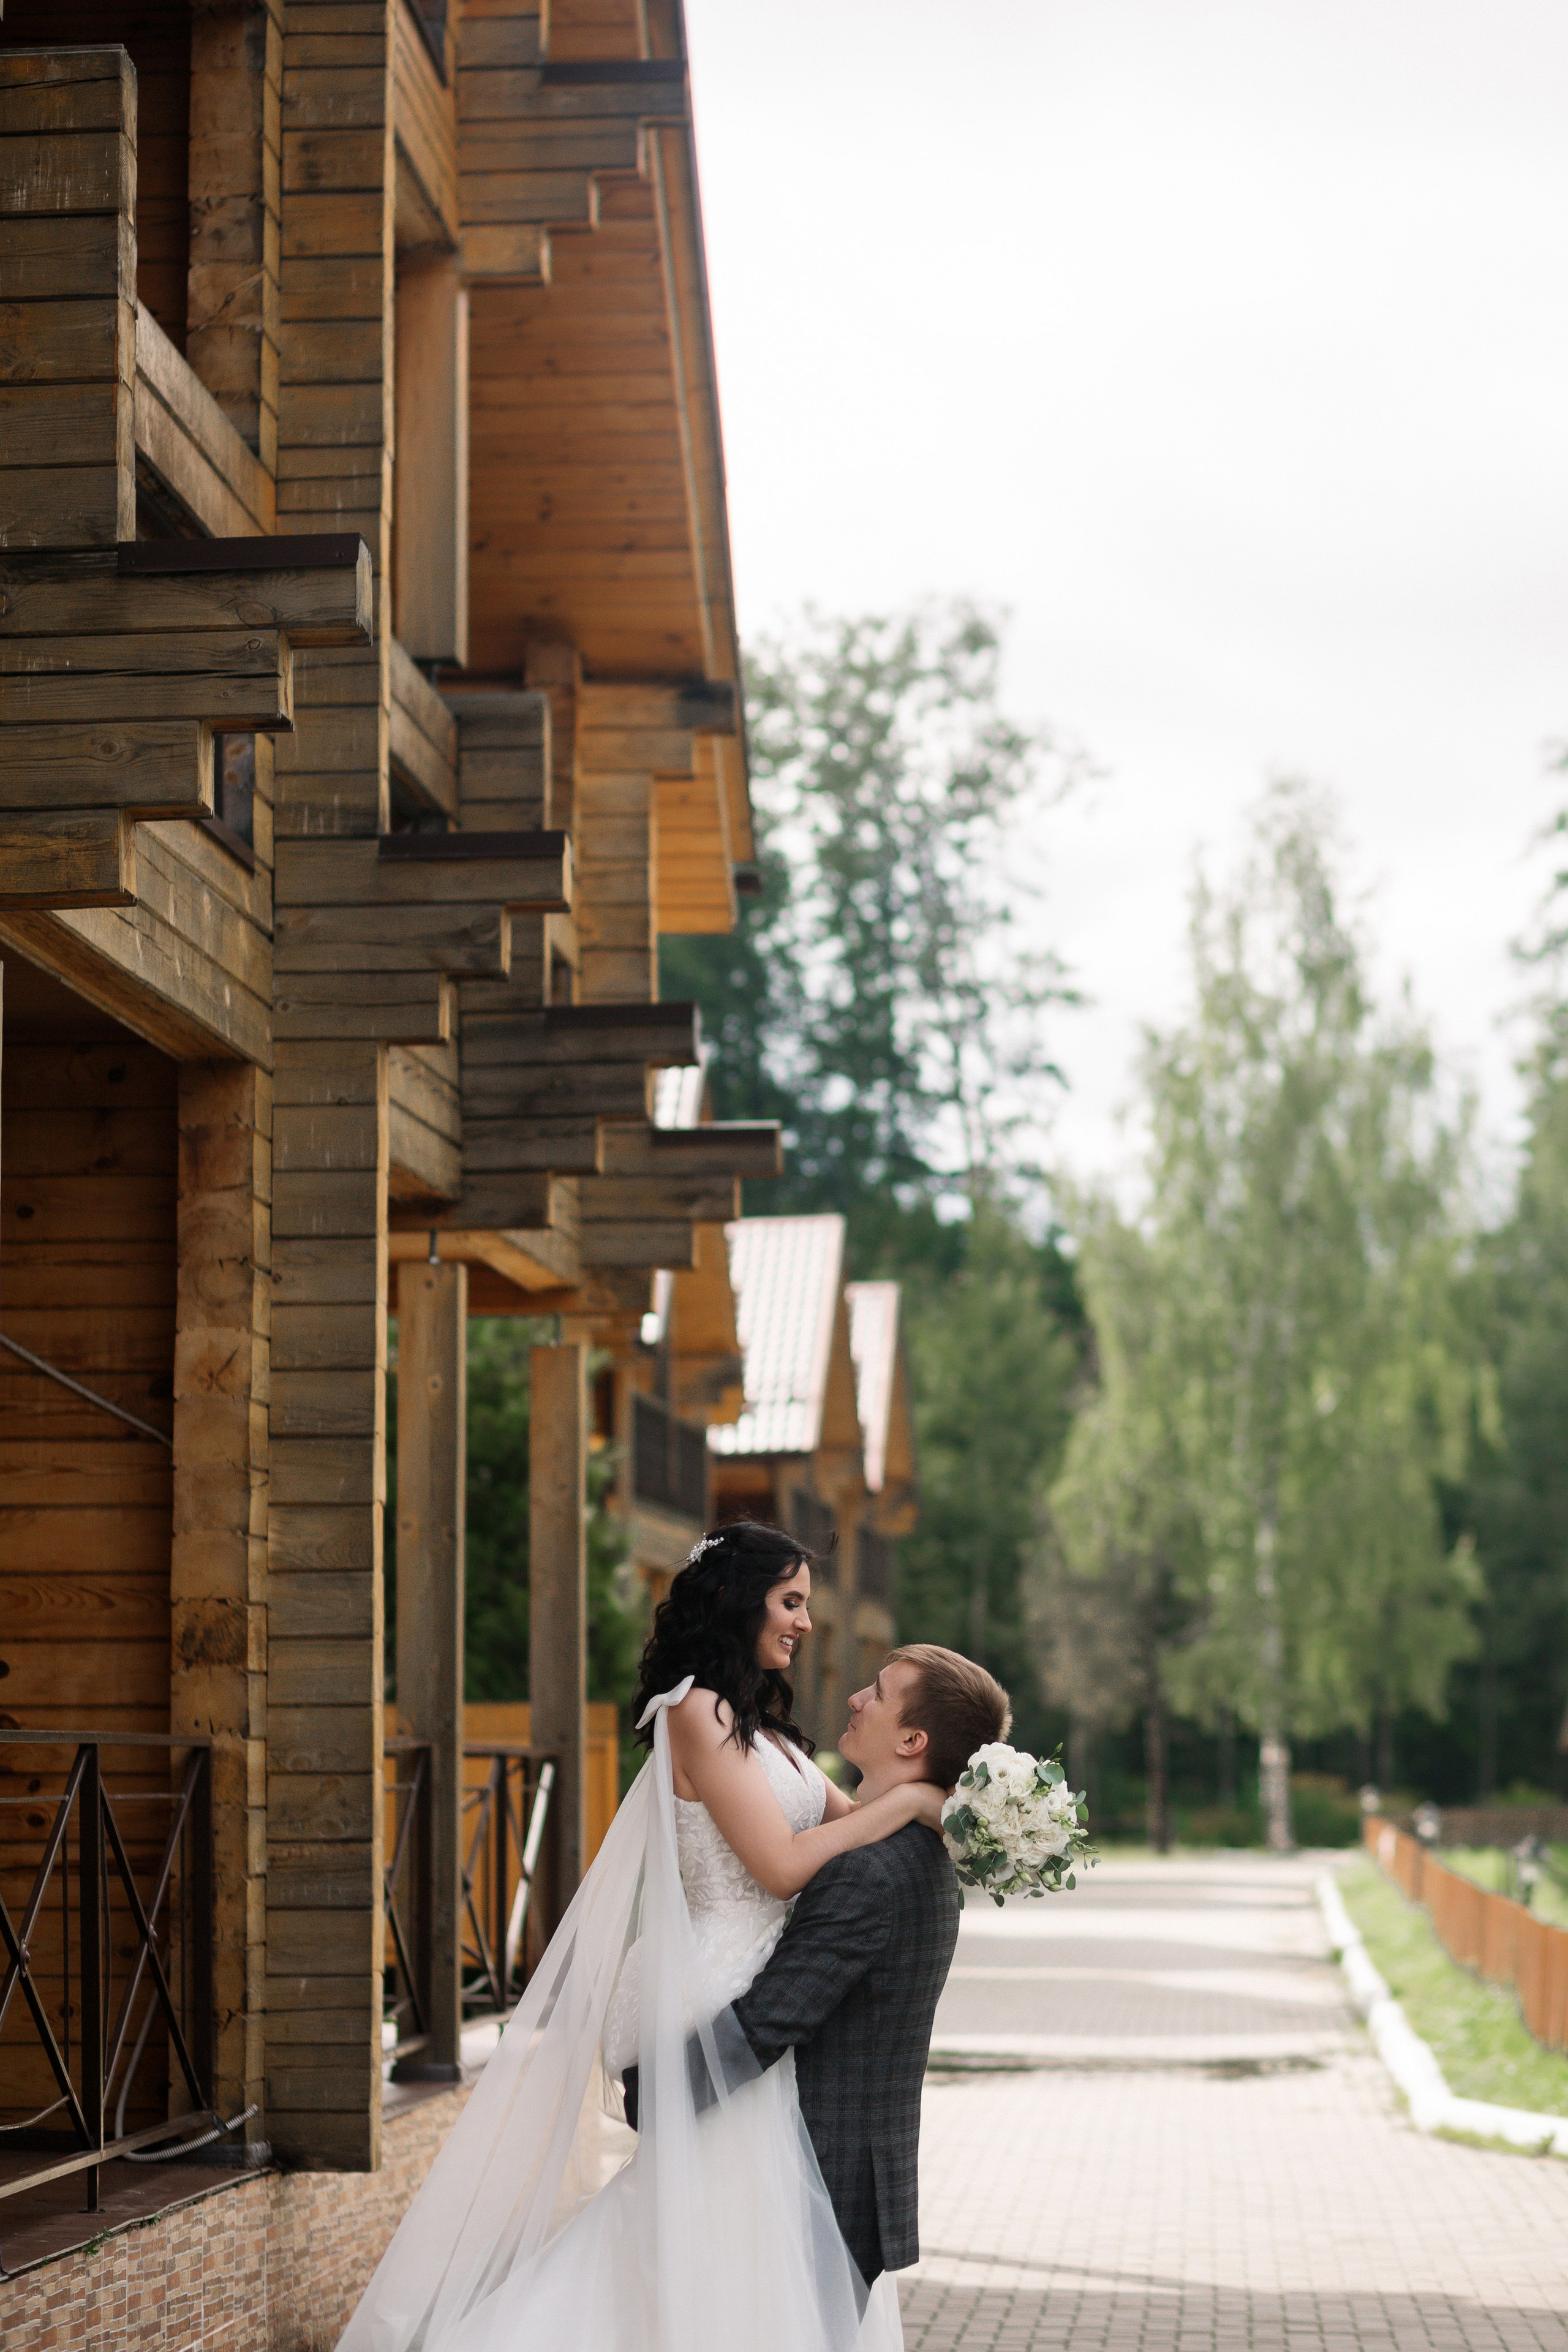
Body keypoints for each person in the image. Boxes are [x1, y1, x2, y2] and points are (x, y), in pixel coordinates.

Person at [334, 1521, 998, 2352]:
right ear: (739, 1600)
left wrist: (940, 1805)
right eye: (790, 1601)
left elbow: (850, 1829)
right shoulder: (695, 1708)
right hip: (711, 1980)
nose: (804, 1621)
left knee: (715, 2233)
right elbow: (784, 1867)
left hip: (756, 1978)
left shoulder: (761, 1726)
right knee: (705, 2222)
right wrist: (905, 1806)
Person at [626, 1642, 1012, 2291]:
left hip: (814, 2185)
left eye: (879, 1694)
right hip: (855, 2181)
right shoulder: (921, 1856)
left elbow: (771, 2020)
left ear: (913, 1740)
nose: (857, 1698)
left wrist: (656, 2093)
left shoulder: (866, 1873)